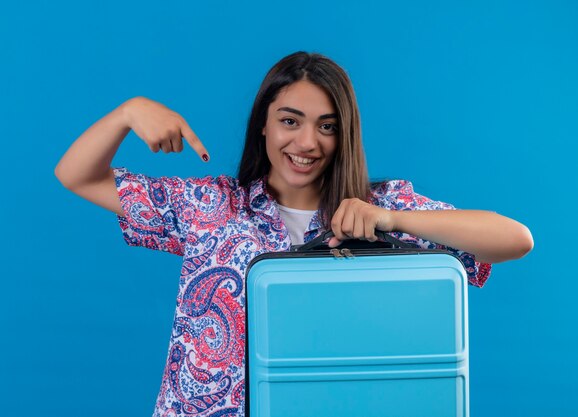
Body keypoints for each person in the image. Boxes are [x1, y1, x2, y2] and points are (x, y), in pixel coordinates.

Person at [55, 51, 533, 417]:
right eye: (290, 121)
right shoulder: (208, 206)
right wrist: (128, 112)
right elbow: (78, 175)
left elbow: (514, 239)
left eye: (327, 126)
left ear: (344, 135)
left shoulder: (382, 206)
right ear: (262, 124)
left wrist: (392, 221)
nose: (307, 143)